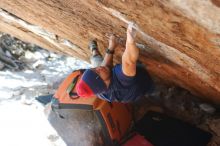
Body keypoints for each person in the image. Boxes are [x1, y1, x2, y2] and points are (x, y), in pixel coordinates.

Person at [76, 23, 154, 102]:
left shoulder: (97, 89)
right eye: (98, 73)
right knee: (148, 83)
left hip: (111, 86)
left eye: (93, 69)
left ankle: (93, 49)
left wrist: (111, 47)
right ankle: (155, 92)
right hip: (142, 85)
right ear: (103, 84)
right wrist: (130, 40)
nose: (98, 69)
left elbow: (104, 67)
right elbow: (128, 61)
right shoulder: (120, 80)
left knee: (96, 62)